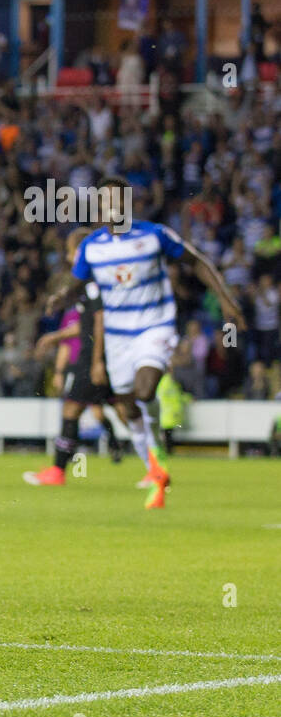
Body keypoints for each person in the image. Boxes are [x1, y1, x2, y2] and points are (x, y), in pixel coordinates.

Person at [48, 176, 245, 509]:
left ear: (128, 204)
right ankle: (157, 467)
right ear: (99, 207)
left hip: (155, 326)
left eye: (118, 200)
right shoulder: (93, 248)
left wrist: (225, 300)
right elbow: (77, 285)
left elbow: (196, 261)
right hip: (117, 338)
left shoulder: (154, 235)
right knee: (126, 405)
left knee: (144, 389)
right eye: (106, 201)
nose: (112, 207)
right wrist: (61, 297)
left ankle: (157, 454)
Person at [24, 229, 123, 486]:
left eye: (70, 251)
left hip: (92, 358)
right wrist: (54, 338)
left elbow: (99, 321)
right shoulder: (90, 284)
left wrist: (98, 360)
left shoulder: (90, 284)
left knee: (73, 408)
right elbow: (88, 324)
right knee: (125, 409)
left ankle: (57, 471)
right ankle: (154, 462)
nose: (68, 258)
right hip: (101, 356)